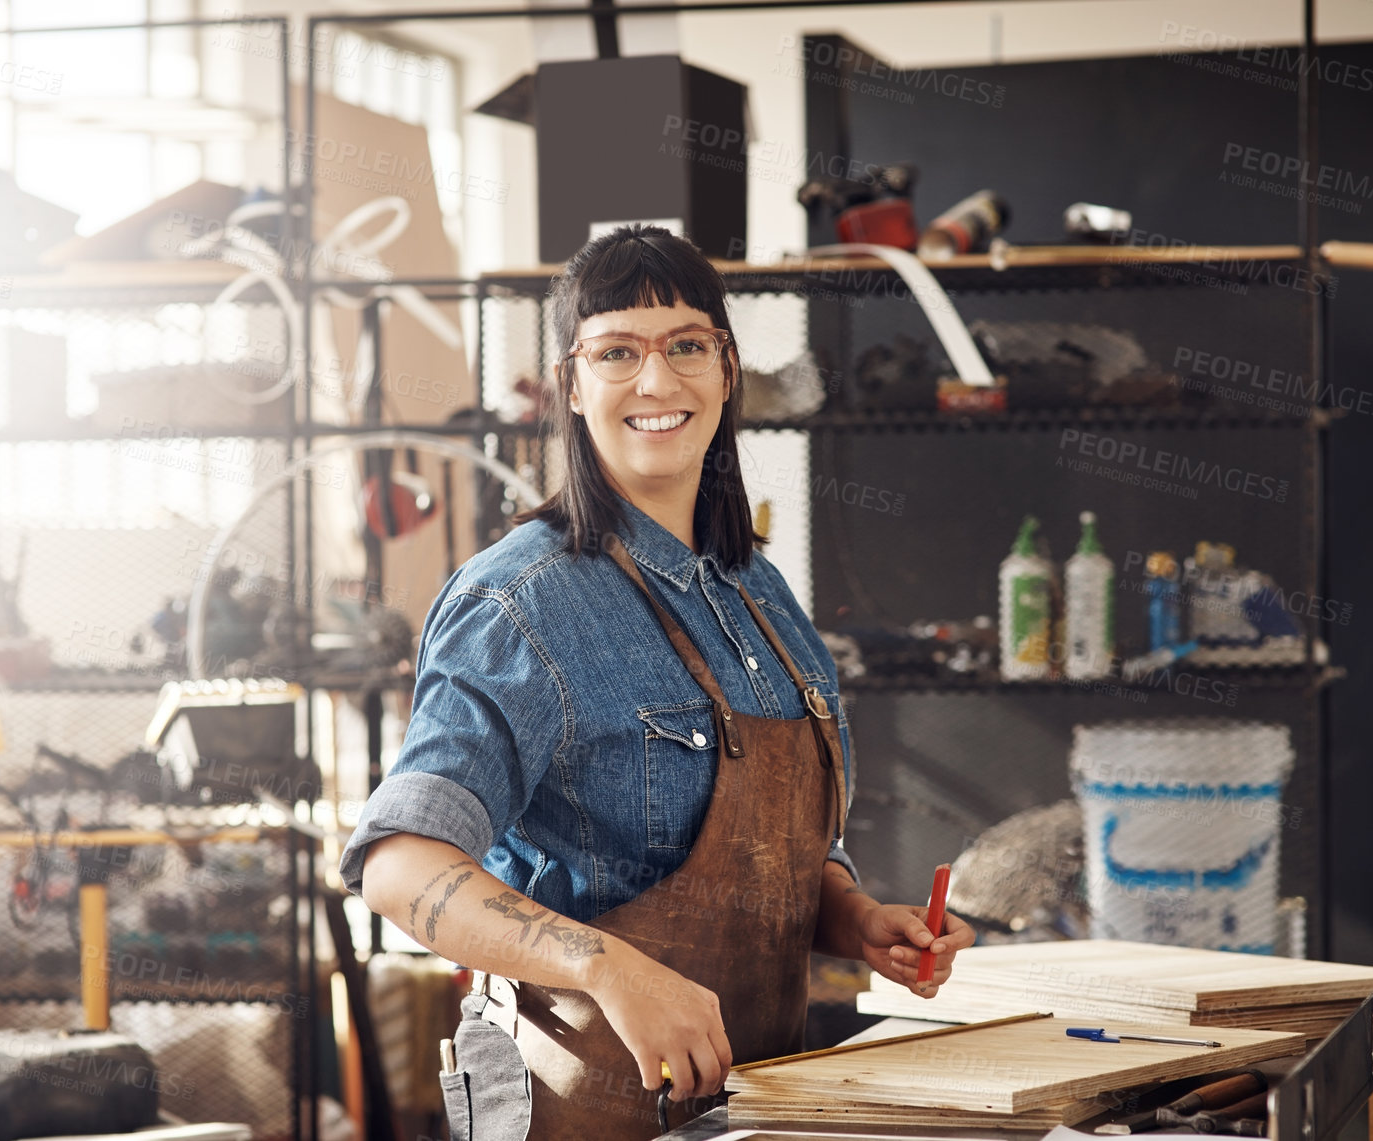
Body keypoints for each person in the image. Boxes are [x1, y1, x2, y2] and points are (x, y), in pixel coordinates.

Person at [341, 224, 974, 1140]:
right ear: (571, 384)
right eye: (617, 352)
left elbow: (777, 850)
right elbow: (400, 866)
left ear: (726, 369)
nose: (656, 381)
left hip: (753, 1103)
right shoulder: (519, 603)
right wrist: (607, 965)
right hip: (576, 1104)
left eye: (686, 345)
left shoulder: (758, 592)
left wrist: (858, 918)